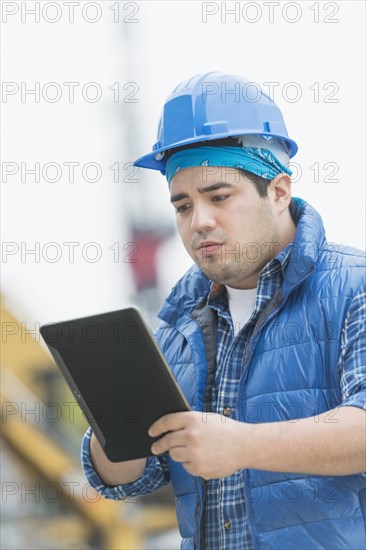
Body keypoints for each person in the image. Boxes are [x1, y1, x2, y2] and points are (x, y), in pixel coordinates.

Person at [81, 72, 366, 549]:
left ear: (277, 192)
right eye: (183, 206)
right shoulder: (176, 328)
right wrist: (111, 427)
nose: (200, 221)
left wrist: (241, 445)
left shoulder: (354, 287)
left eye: (218, 197)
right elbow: (133, 479)